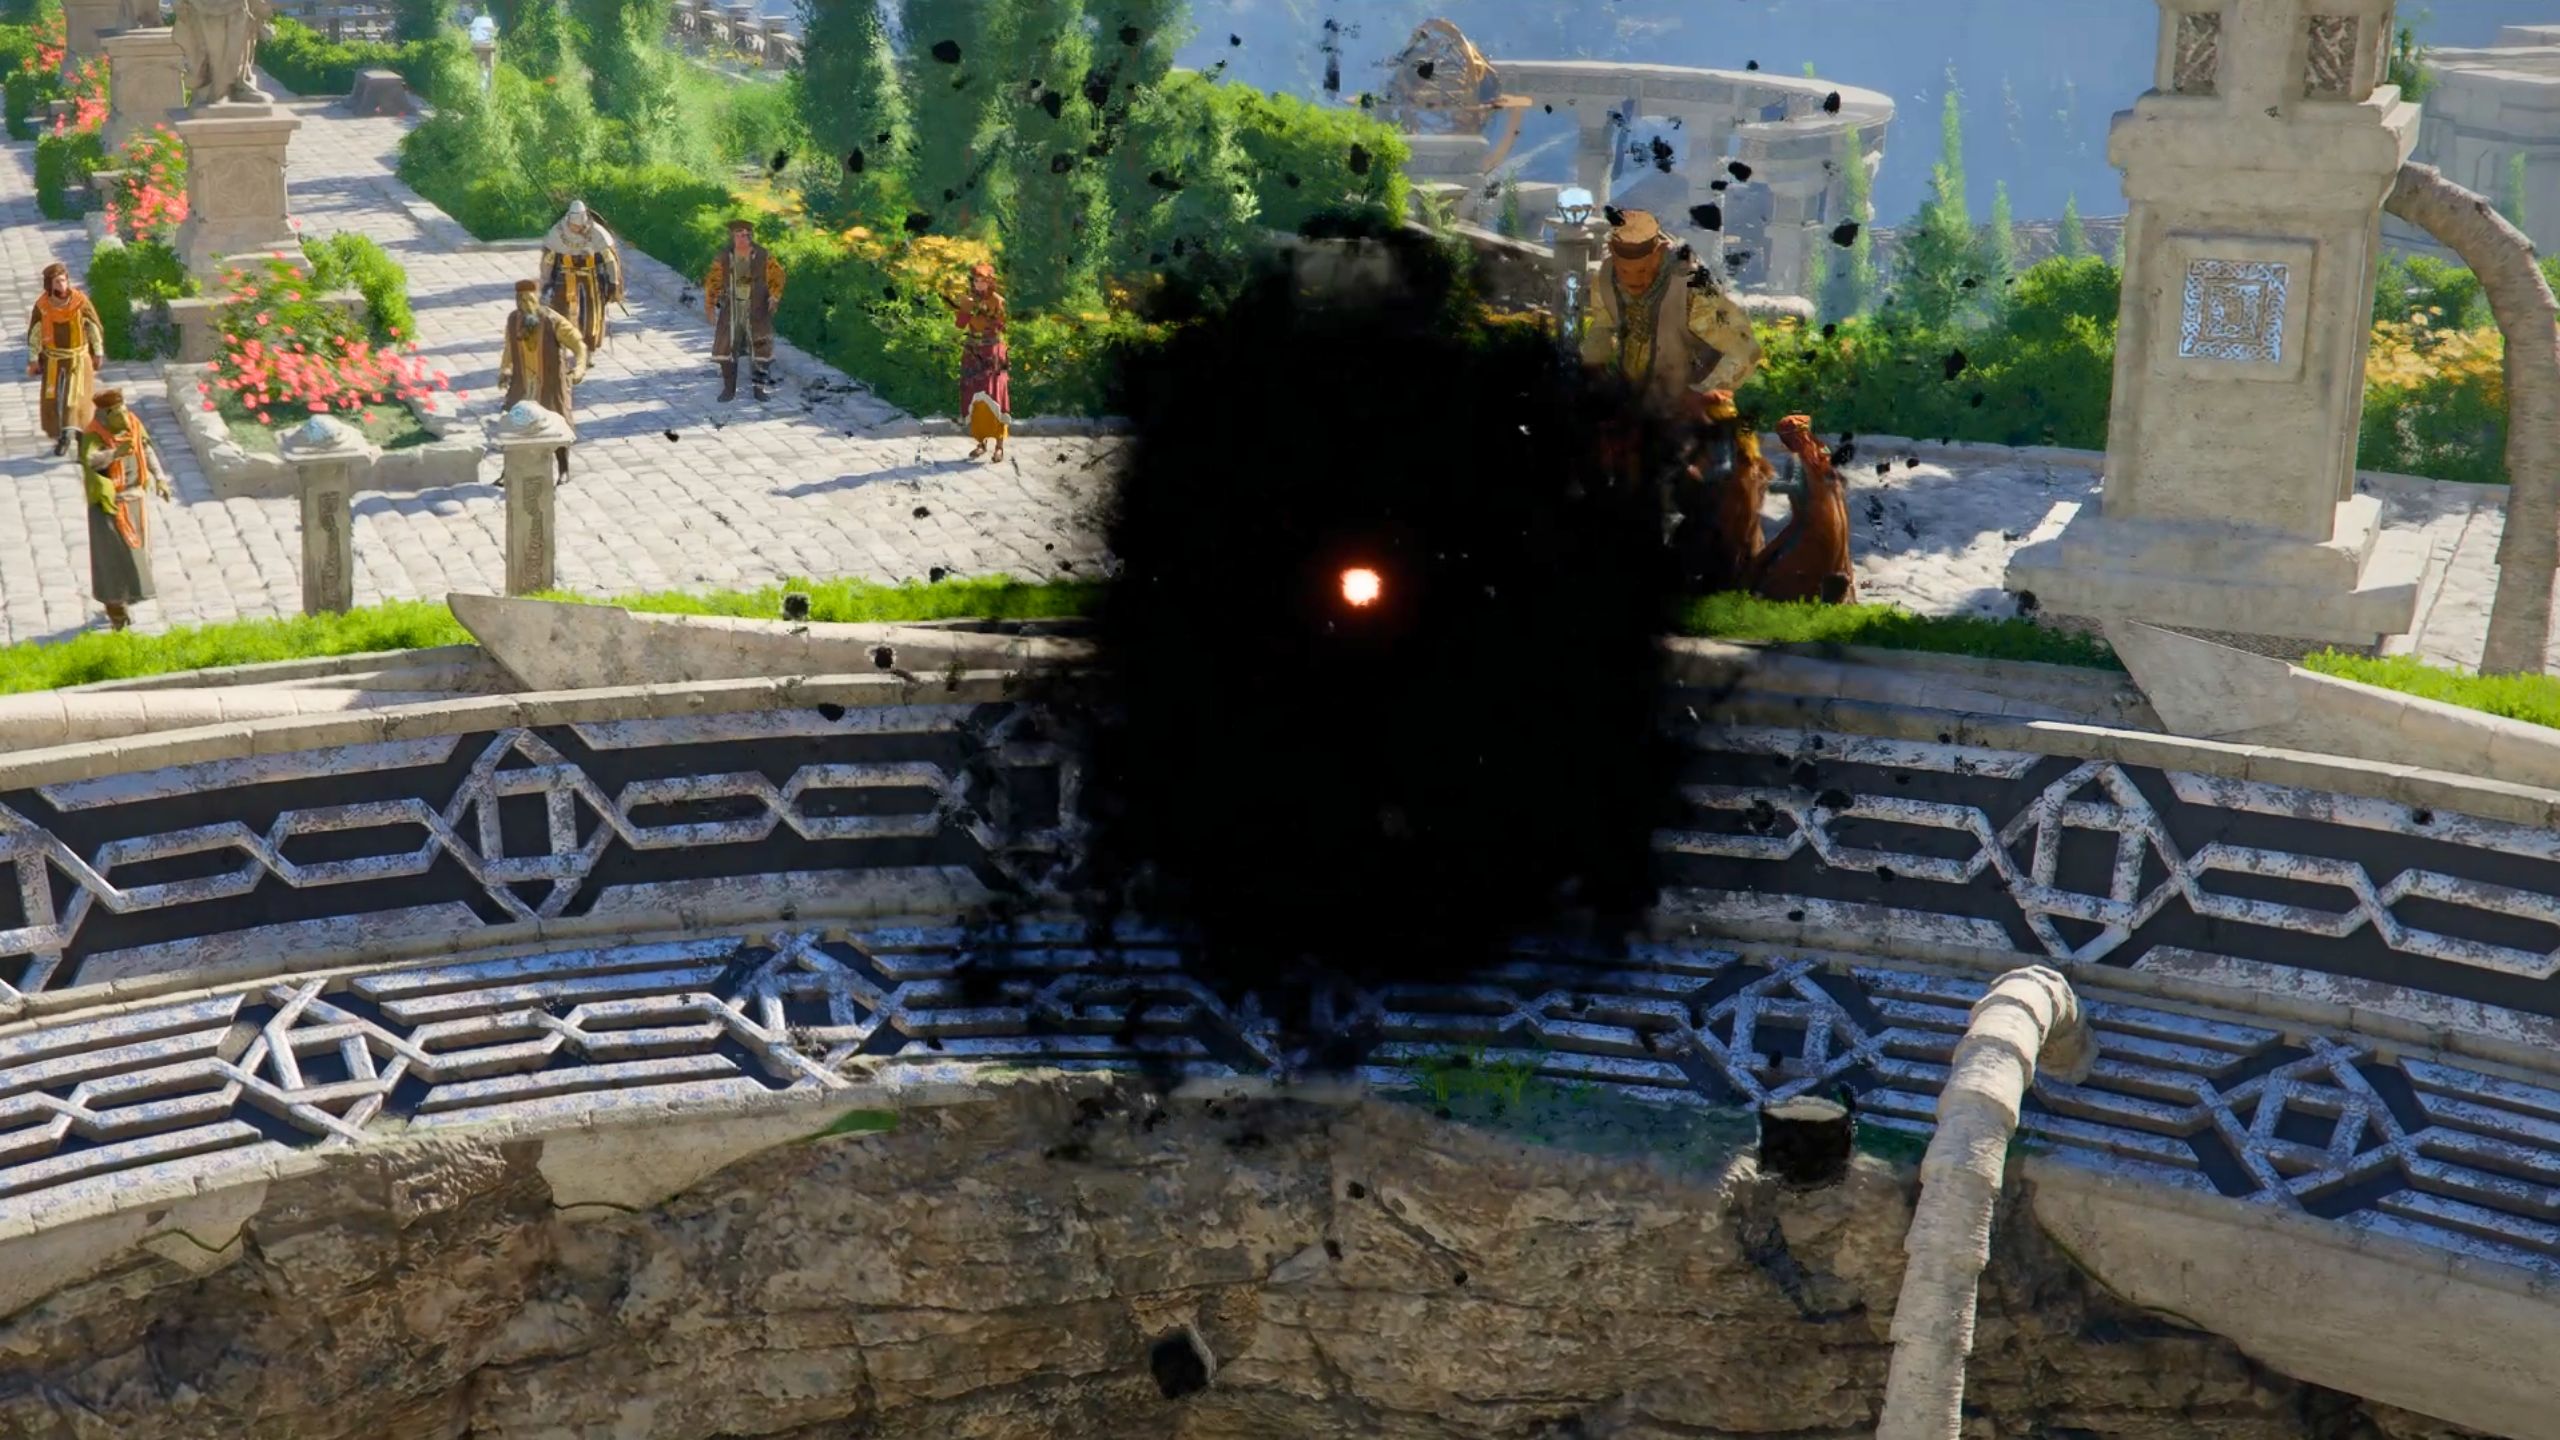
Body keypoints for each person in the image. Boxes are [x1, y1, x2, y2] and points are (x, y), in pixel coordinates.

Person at [1578, 210, 1763, 418]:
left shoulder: (1694, 288)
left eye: (1642, 271)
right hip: (1639, 409)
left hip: (1696, 412)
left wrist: (1700, 392)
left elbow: (1745, 350)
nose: (1633, 281)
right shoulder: (1605, 278)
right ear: (1612, 252)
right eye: (1624, 271)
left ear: (1659, 252)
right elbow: (1602, 328)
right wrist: (1593, 368)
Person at [77, 389, 172, 633]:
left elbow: (146, 450)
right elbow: (90, 461)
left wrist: (160, 478)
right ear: (106, 414)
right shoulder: (93, 434)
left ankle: (132, 593)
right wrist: (114, 453)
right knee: (112, 559)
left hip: (135, 500)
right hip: (109, 506)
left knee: (138, 553)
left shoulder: (133, 424)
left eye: (124, 409)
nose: (124, 415)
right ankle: (116, 609)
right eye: (118, 412)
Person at [1667, 389, 1771, 595]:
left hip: (1718, 507)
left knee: (1696, 537)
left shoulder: (1720, 434)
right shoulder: (1739, 434)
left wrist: (1692, 471)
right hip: (1730, 507)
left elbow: (1720, 468)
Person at [1757, 414, 1857, 605]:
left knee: (1772, 559)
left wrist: (1768, 482)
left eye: (1784, 438)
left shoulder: (1796, 459)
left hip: (1808, 521)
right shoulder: (1823, 451)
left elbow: (1794, 486)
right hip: (1834, 521)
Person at [498, 279, 588, 480]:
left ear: (536, 299)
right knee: (514, 422)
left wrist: (580, 368)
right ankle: (509, 470)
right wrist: (505, 369)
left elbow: (579, 345)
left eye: (528, 299)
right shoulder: (513, 320)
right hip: (523, 384)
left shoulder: (553, 321)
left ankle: (563, 469)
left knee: (557, 424)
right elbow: (509, 348)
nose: (524, 304)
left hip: (550, 384)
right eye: (520, 300)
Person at [25, 262, 105, 458]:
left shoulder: (80, 302)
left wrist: (98, 352)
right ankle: (61, 433)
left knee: (75, 399)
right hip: (54, 359)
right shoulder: (43, 306)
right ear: (49, 284)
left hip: (78, 358)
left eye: (63, 280)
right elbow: (35, 333)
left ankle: (73, 438)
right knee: (53, 400)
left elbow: (92, 327)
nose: (61, 285)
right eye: (57, 282)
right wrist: (34, 359)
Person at [702, 218, 784, 402]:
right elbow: (713, 281)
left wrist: (774, 296)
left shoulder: (762, 255)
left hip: (757, 308)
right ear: (732, 236)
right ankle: (729, 390)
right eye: (739, 235)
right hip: (732, 309)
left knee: (761, 350)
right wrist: (710, 306)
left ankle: (759, 390)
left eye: (747, 235)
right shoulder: (724, 257)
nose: (744, 238)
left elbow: (777, 275)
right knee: (725, 349)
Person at [540, 200, 623, 352]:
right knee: (561, 313)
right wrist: (546, 281)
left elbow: (609, 259)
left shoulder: (597, 232)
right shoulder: (557, 232)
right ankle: (563, 349)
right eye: (574, 225)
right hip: (565, 278)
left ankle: (588, 351)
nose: (577, 228)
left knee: (591, 317)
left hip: (591, 280)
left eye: (580, 226)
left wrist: (613, 282)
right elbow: (549, 260)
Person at [952, 262, 1009, 463]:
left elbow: (1001, 327)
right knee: (975, 397)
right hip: (972, 351)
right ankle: (981, 443)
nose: (979, 284)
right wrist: (965, 309)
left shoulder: (997, 301)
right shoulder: (968, 299)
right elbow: (960, 325)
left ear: (990, 281)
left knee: (995, 396)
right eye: (976, 280)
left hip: (992, 351)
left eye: (983, 280)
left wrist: (984, 313)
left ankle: (999, 446)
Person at [466, 6, 497, 91]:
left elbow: (470, 32)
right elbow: (493, 33)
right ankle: (487, 89)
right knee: (488, 68)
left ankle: (477, 87)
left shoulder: (475, 21)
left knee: (476, 67)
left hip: (475, 46)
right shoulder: (489, 21)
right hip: (487, 47)